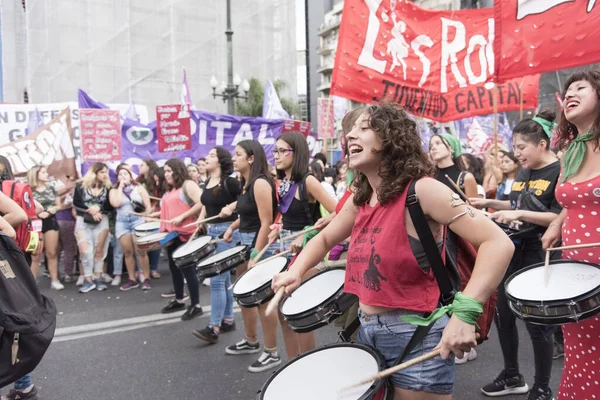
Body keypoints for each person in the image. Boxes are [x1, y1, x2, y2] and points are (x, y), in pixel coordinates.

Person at [272, 102, 513, 399]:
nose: (351, 136)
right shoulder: (361, 198)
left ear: (390, 138)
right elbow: (323, 239)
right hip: (367, 329)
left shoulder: (423, 191)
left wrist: (465, 315)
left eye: (364, 128)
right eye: (350, 131)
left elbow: (498, 242)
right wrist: (295, 271)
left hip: (418, 334)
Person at [471, 110, 561, 400]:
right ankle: (512, 376)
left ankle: (543, 386)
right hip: (512, 250)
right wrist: (488, 201)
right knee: (504, 316)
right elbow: (516, 200)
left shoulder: (559, 171)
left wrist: (520, 212)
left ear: (542, 144)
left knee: (537, 324)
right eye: (516, 147)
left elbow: (559, 219)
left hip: (540, 254)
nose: (516, 153)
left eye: (522, 147)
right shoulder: (525, 171)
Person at [541, 69, 600, 400]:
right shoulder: (571, 152)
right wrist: (556, 223)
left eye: (581, 87)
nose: (571, 94)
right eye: (568, 90)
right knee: (581, 352)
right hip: (574, 270)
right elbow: (576, 198)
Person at [267, 131, 337, 359]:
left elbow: (339, 212)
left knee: (298, 311)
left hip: (308, 250)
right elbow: (288, 215)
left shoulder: (308, 181)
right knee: (281, 311)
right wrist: (278, 228)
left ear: (296, 153)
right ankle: (292, 362)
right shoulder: (284, 183)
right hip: (286, 248)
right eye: (274, 150)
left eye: (282, 151)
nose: (276, 156)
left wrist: (305, 236)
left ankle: (308, 364)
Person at [220, 140, 282, 373]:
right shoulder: (246, 184)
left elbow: (266, 221)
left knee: (262, 300)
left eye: (238, 154)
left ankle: (272, 351)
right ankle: (250, 339)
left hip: (258, 245)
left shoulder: (260, 183)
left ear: (251, 158)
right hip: (244, 242)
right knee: (244, 296)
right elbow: (248, 214)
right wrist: (231, 227)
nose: (233, 158)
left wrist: (256, 253)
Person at [192, 147, 241, 341]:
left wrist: (230, 208)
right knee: (224, 280)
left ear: (220, 161)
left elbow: (245, 200)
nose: (207, 158)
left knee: (217, 280)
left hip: (228, 231)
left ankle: (214, 327)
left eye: (212, 155)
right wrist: (200, 221)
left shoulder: (230, 182)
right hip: (212, 231)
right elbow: (205, 204)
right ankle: (228, 319)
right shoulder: (206, 182)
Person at [159, 159, 204, 320]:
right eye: (165, 171)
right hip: (172, 234)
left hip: (186, 233)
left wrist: (183, 216)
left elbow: (202, 202)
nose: (167, 174)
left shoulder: (188, 185)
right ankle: (179, 299)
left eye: (169, 171)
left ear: (177, 170)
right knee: (174, 268)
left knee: (188, 269)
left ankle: (196, 305)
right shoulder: (172, 189)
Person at [109, 164, 152, 291]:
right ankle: (132, 278)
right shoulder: (113, 190)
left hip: (137, 220)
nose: (123, 176)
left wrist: (145, 216)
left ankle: (146, 277)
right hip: (122, 222)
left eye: (125, 174)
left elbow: (148, 206)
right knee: (127, 252)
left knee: (141, 251)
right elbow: (115, 203)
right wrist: (120, 188)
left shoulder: (138, 187)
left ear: (130, 175)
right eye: (120, 174)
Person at [72, 162, 113, 294]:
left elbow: (110, 206)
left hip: (102, 220)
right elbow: (76, 203)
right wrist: (91, 211)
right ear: (94, 173)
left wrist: (99, 209)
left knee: (100, 250)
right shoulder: (80, 185)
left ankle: (98, 277)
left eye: (106, 172)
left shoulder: (108, 188)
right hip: (83, 220)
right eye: (102, 172)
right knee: (85, 251)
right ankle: (87, 279)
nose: (105, 175)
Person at [27, 166, 64, 290]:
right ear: (35, 174)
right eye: (43, 172)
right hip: (34, 223)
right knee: (35, 254)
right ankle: (31, 284)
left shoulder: (52, 188)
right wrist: (37, 213)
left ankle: (55, 279)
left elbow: (59, 205)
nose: (46, 174)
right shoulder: (28, 190)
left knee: (52, 252)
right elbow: (24, 207)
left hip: (50, 220)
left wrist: (54, 209)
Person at [429, 133, 478, 200]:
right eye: (430, 146)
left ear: (451, 148)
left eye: (438, 143)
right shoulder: (429, 176)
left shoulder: (465, 178)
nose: (433, 148)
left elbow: (474, 207)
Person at [137, 159, 161, 279]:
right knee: (142, 241)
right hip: (141, 213)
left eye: (142, 165)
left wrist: (153, 209)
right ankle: (142, 269)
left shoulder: (156, 180)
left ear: (149, 167)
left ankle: (154, 268)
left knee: (154, 242)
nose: (139, 167)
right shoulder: (138, 181)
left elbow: (159, 197)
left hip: (155, 213)